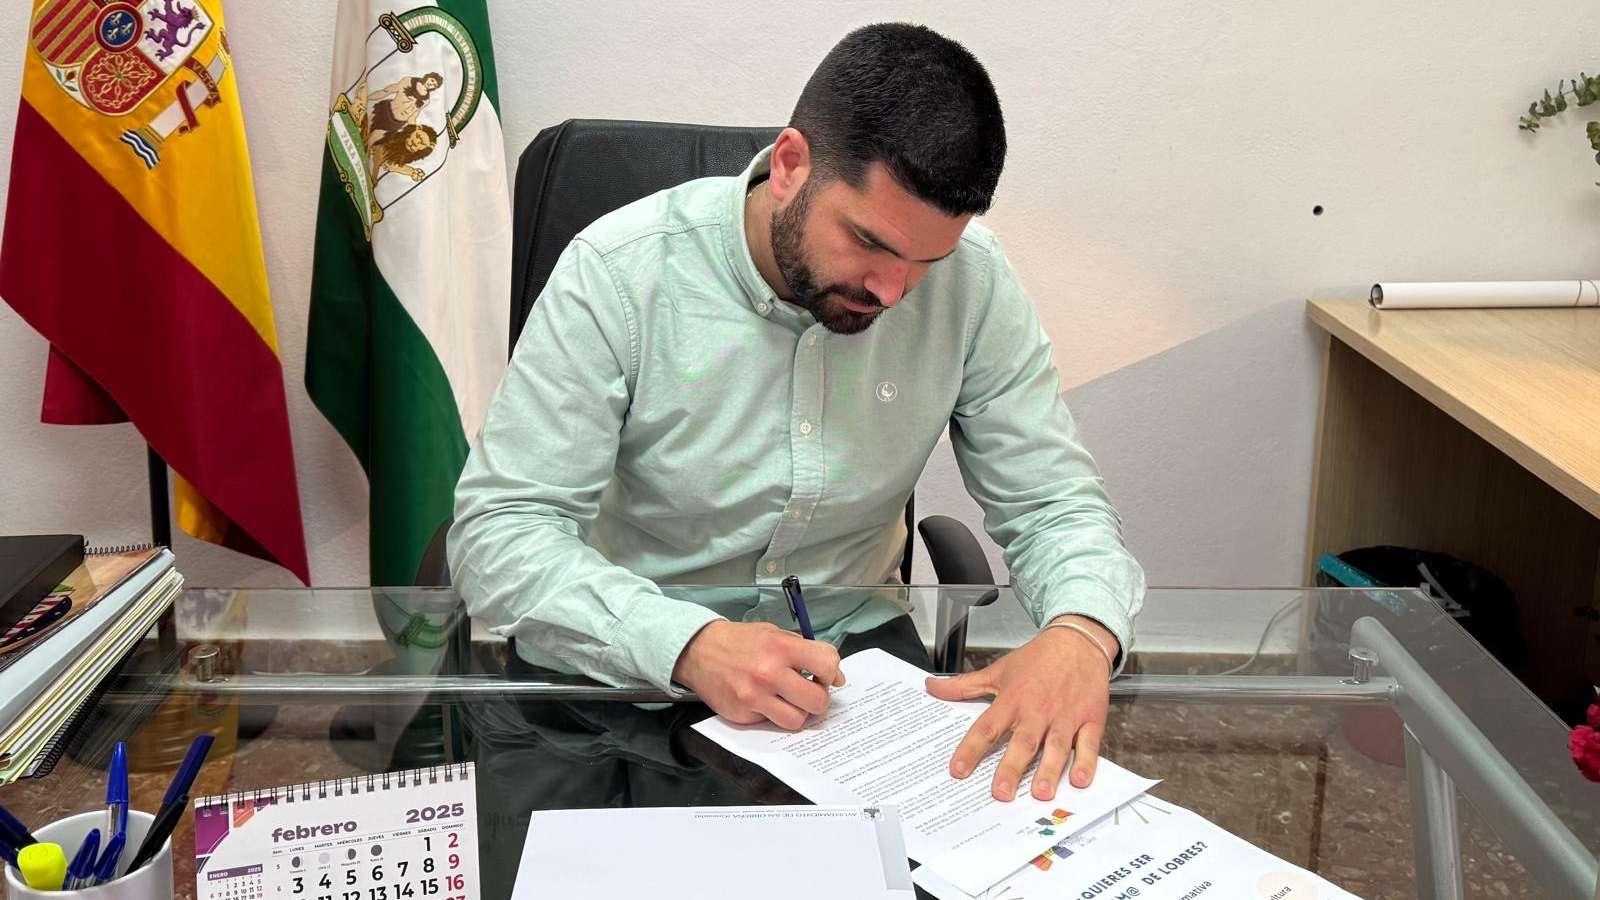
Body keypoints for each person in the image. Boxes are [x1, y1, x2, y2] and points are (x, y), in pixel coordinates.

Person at [449, 23, 1146, 803]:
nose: (892, 291)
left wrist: (1083, 630)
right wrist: (687, 643)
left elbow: (1054, 503)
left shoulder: (974, 286)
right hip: (618, 680)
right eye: (869, 242)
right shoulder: (620, 274)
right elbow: (500, 532)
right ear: (789, 166)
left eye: (927, 260)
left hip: (851, 679)